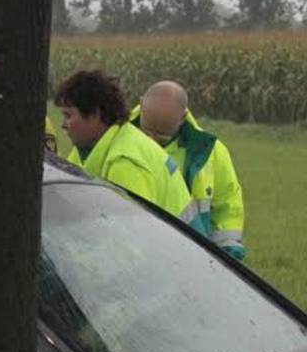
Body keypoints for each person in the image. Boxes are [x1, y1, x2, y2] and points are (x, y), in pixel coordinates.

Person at [54, 70, 204, 232]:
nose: (63, 124)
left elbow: (131, 238)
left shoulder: (125, 162)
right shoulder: (94, 146)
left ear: (96, 115)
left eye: (68, 116)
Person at [134, 80, 246, 259]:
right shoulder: (114, 141)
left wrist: (228, 254)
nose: (152, 143)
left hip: (191, 258)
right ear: (141, 104)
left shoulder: (211, 152)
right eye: (146, 134)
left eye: (162, 138)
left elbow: (228, 205)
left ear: (183, 117)